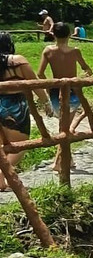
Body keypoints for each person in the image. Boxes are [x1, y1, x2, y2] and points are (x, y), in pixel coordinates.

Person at [38, 22, 93, 173]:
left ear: (53, 34)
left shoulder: (48, 51)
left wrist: (49, 87)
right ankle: (59, 162)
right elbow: (88, 70)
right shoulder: (75, 51)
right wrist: (80, 77)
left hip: (56, 91)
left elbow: (40, 74)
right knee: (65, 127)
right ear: (69, 34)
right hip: (73, 90)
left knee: (64, 126)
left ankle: (67, 160)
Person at [0, 33, 52, 189]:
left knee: (3, 146)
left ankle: (1, 182)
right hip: (15, 106)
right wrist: (46, 102)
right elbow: (34, 83)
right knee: (21, 145)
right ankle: (1, 175)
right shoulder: (17, 61)